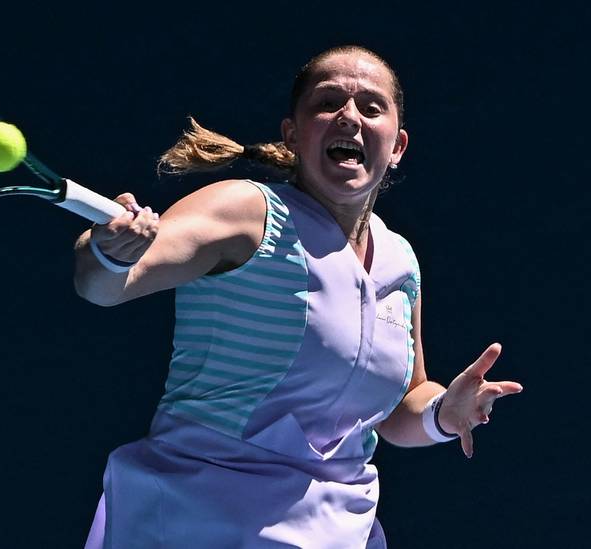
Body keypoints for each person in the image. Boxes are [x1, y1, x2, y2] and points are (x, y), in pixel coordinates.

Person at [73, 45, 523, 548]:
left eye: (371, 107)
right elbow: (103, 286)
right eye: (328, 103)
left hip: (336, 531)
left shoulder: (400, 261)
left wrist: (443, 413)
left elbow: (398, 408)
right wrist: (110, 252)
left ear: (397, 145)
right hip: (192, 522)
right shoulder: (247, 212)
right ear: (293, 134)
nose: (349, 116)